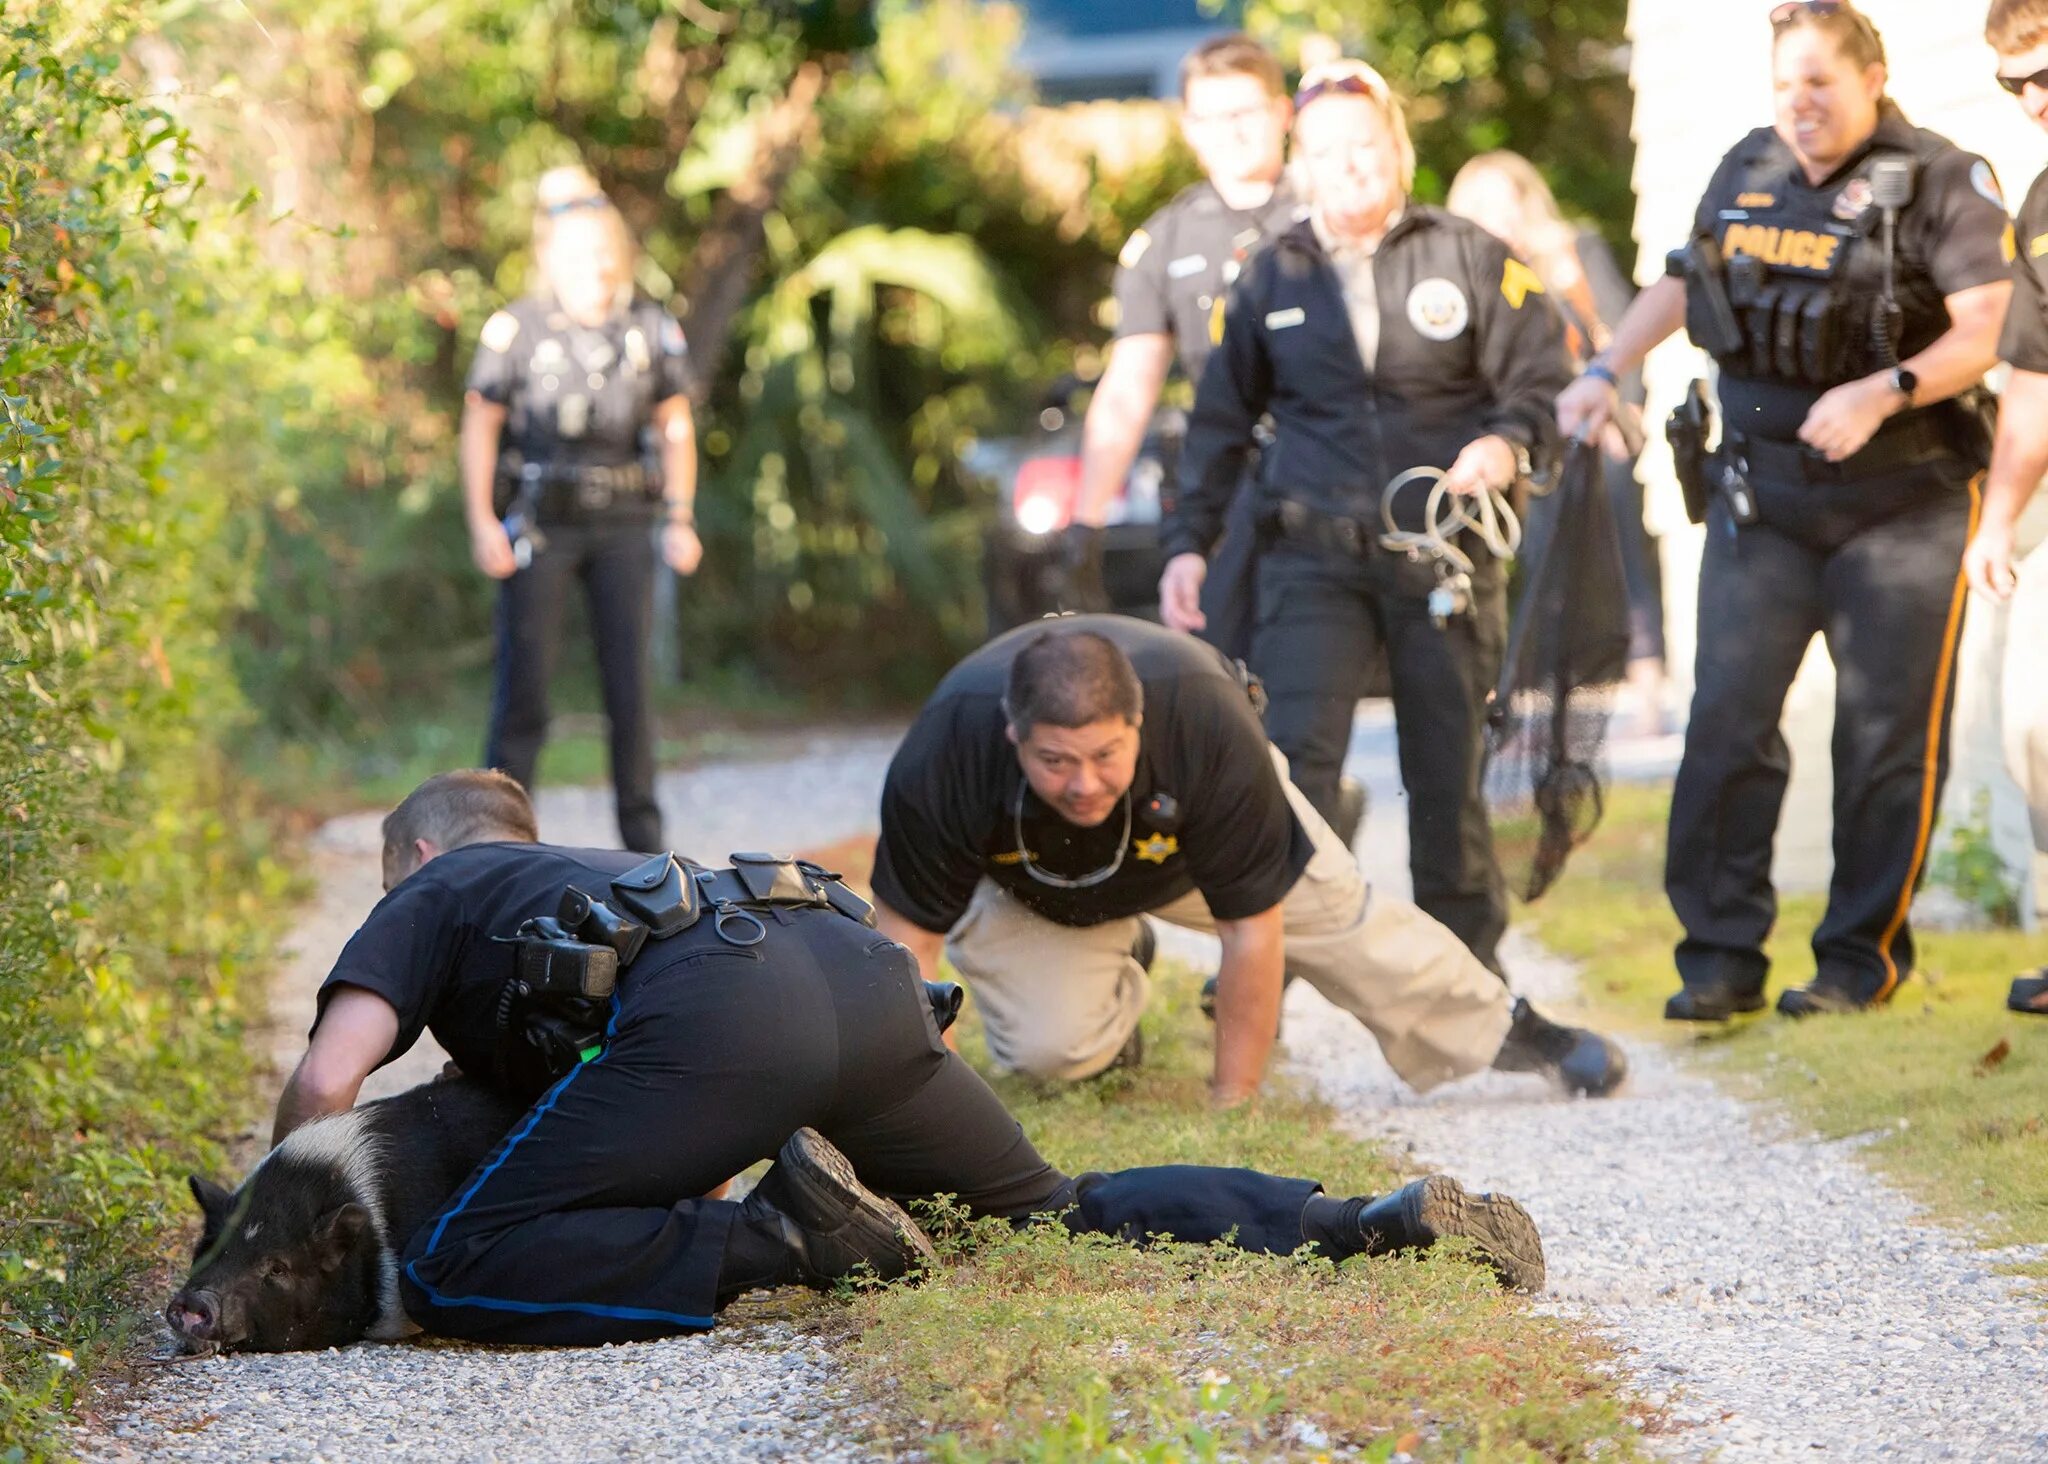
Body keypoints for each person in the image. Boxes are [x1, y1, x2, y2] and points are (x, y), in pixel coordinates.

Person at [271, 769, 1547, 1347]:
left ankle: (794, 1243)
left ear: (421, 863)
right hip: (851, 961)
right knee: (1047, 1209)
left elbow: (332, 1080)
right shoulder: (588, 877)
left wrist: (277, 1206)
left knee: (453, 1268)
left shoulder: (437, 891)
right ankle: (1357, 1225)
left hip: (727, 1017)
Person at [1559, 2, 2013, 1020]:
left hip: (1902, 505)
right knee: (1725, 724)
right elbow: (1684, 283)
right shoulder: (1745, 167)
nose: (1799, 104)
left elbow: (1989, 327)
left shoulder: (1940, 177)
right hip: (1760, 497)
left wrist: (1880, 390)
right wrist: (1602, 368)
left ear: (1872, 75)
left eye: (1819, 81)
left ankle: (1855, 967)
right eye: (1783, 84)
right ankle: (1717, 963)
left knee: (1878, 737)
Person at [1160, 60, 1572, 979]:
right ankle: (1264, 974)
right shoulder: (1273, 273)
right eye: (1327, 150)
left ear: (1399, 148)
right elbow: (1219, 425)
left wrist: (1504, 447)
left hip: (1446, 555)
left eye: (1366, 145)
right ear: (1301, 163)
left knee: (1446, 773)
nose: (1350, 165)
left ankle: (1468, 986)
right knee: (1293, 772)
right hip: (1312, 556)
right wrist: (1186, 546)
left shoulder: (1469, 254)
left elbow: (1539, 381)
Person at [868, 616, 1624, 1107]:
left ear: (1139, 722)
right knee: (1048, 1052)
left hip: (1200, 846)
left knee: (1346, 924)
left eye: (1105, 755)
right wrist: (935, 1122)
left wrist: (1234, 1102)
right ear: (1012, 736)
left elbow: (1252, 933)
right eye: (1055, 760)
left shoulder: (1202, 715)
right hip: (1040, 887)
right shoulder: (946, 748)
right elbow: (909, 952)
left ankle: (1509, 1029)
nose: (1083, 783)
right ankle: (1117, 975)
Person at [463, 172, 703, 853]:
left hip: (625, 522)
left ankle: (647, 856)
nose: (593, 266)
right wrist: (483, 521)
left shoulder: (649, 328)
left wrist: (679, 517)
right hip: (542, 522)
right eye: (576, 253)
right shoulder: (517, 329)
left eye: (603, 251)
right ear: (549, 257)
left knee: (631, 695)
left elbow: (675, 427)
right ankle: (494, 847)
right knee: (524, 692)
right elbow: (480, 425)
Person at [1447, 151, 1670, 738]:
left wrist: (1630, 409)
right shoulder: (1461, 275)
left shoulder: (1572, 254)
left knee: (1623, 557)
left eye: (1502, 201)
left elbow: (1625, 334)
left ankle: (1648, 689)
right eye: (1478, 205)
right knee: (1536, 559)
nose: (1492, 217)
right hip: (1521, 443)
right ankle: (1531, 692)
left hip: (1592, 433)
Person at [1962, 0, 2048, 1017]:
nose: (2032, 99)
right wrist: (1994, 518)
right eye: (2012, 84)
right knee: (2032, 717)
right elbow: (2028, 381)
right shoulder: (2034, 204)